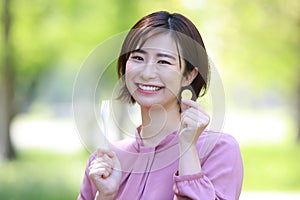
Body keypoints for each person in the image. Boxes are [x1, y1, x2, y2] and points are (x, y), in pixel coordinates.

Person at [78, 11, 243, 200]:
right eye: (138, 58)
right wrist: (105, 196)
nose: (147, 73)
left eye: (163, 61)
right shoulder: (105, 162)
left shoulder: (218, 150)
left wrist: (188, 148)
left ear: (189, 75)